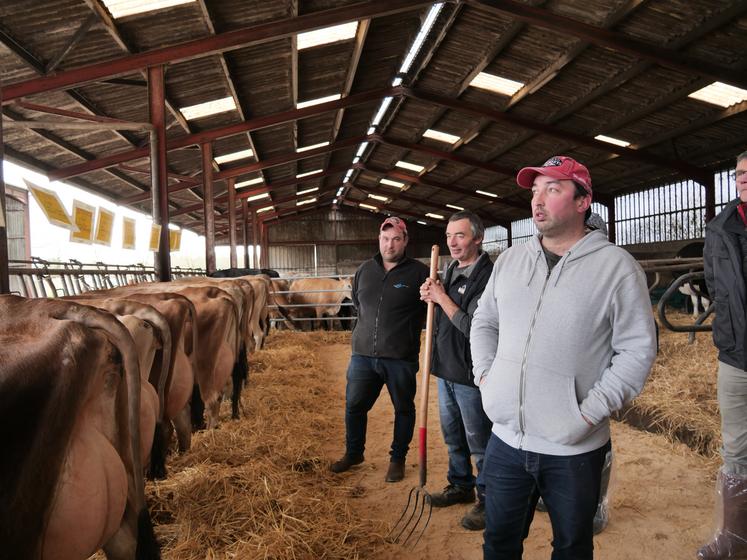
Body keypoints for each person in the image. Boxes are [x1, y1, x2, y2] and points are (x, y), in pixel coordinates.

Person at [471, 155, 657, 559]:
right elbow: (484, 321)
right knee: (498, 543)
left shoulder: (617, 269)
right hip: (504, 439)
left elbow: (637, 350)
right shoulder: (511, 261)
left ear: (582, 201)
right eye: (535, 191)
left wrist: (588, 414)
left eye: (552, 189)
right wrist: (487, 377)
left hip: (573, 448)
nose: (537, 200)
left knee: (572, 548)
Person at [330, 216, 429, 482]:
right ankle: (354, 453)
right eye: (386, 239)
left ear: (405, 241)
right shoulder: (364, 270)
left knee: (403, 409)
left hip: (400, 358)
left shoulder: (419, 273)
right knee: (354, 406)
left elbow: (427, 312)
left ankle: (397, 459)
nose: (390, 245)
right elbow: (360, 308)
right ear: (379, 240)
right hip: (362, 355)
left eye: (396, 239)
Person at [419, 210, 494, 531]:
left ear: (478, 238)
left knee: (479, 439)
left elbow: (473, 325)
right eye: (449, 235)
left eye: (460, 235)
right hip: (446, 369)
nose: (453, 242)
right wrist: (430, 297)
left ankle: (489, 500)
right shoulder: (449, 270)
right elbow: (445, 315)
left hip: (471, 374)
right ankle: (460, 485)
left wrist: (442, 297)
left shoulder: (488, 276)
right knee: (453, 437)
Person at [699, 150, 747, 560]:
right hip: (736, 357)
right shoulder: (719, 228)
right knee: (737, 449)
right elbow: (715, 288)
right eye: (738, 173)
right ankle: (733, 538)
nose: (743, 178)